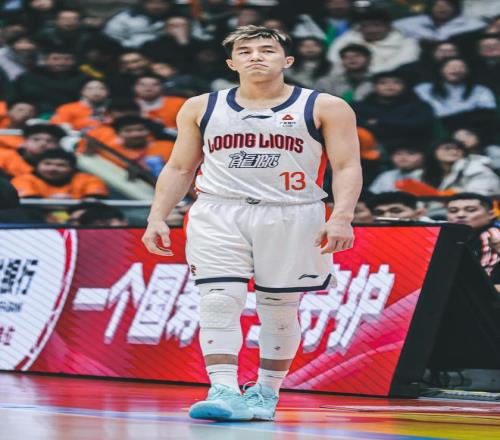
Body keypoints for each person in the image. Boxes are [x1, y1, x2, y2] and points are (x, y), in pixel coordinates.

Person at [142, 25, 362, 422]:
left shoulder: (326, 106)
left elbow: (346, 166)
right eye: (245, 51)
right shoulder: (200, 106)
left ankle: (265, 393)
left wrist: (342, 216)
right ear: (232, 63)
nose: (256, 56)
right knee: (218, 300)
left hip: (293, 211)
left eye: (266, 49)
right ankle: (223, 389)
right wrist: (157, 215)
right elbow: (179, 167)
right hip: (218, 211)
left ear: (287, 60)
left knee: (278, 309)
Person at [327, 8, 420, 74]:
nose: (371, 30)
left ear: (389, 27)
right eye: (366, 26)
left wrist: (363, 73)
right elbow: (333, 59)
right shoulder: (348, 38)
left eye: (376, 25)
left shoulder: (407, 43)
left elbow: (397, 66)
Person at [11, 148, 108, 199]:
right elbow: (28, 202)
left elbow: (95, 200)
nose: (53, 168)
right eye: (47, 164)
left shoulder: (88, 179)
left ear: (72, 168)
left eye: (61, 165)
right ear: (37, 165)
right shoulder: (23, 179)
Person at [446, 192, 499, 278]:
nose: (460, 215)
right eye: (453, 211)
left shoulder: (492, 235)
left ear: (491, 214)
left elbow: (482, 278)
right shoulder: (447, 236)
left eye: (471, 210)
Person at [366, 191, 431, 222]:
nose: (387, 216)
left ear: (419, 213)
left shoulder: (435, 233)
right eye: (379, 213)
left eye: (396, 211)